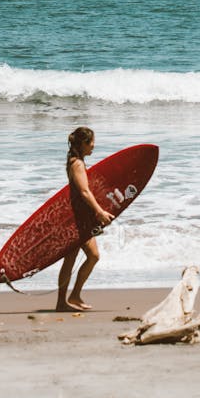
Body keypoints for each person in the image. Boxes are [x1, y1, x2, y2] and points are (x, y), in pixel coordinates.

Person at [56, 126, 114, 311]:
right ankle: (64, 301)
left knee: (88, 256)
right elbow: (84, 191)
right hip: (77, 218)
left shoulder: (75, 161)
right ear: (82, 143)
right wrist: (99, 212)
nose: (94, 146)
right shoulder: (77, 164)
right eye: (91, 142)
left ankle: (72, 297)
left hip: (79, 216)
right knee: (86, 256)